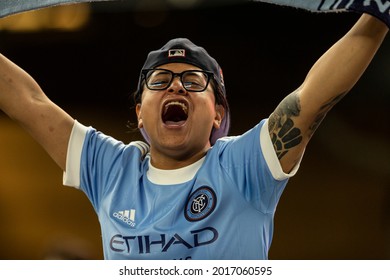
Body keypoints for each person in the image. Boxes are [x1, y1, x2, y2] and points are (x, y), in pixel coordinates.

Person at [0, 12, 388, 260]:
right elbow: (28, 100)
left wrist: (378, 15)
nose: (176, 88)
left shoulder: (244, 166)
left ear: (217, 112)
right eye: (160, 80)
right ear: (139, 111)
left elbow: (315, 94)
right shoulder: (111, 171)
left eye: (192, 80)